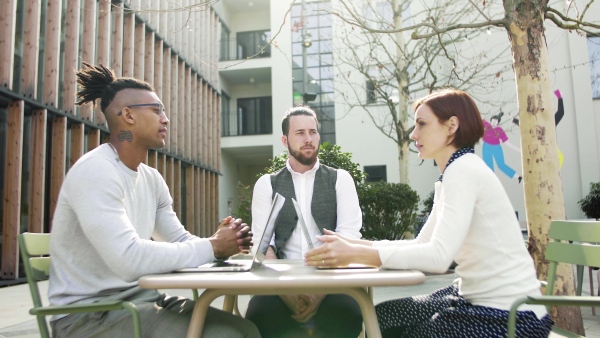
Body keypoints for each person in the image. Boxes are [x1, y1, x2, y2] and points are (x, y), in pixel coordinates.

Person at [305, 89, 553, 337]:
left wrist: (356, 253)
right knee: (383, 317)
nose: (413, 134)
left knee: (402, 330)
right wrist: (357, 245)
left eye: (422, 124)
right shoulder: (454, 172)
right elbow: (423, 243)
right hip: (475, 300)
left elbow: (438, 258)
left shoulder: (463, 171)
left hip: (512, 316)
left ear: (451, 126)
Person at [48, 62, 260, 338]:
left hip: (141, 302)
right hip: (89, 317)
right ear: (128, 116)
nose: (166, 119)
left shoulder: (151, 179)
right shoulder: (96, 171)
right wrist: (213, 246)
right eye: (156, 110)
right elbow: (129, 259)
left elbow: (180, 241)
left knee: (245, 329)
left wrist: (222, 242)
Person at [245, 106, 363, 338]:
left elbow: (348, 238)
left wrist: (318, 295)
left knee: (347, 315)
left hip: (333, 280)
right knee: (259, 316)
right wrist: (288, 295)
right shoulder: (266, 184)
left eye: (313, 132)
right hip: (279, 281)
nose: (308, 139)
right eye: (299, 133)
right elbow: (262, 245)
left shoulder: (340, 179)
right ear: (284, 139)